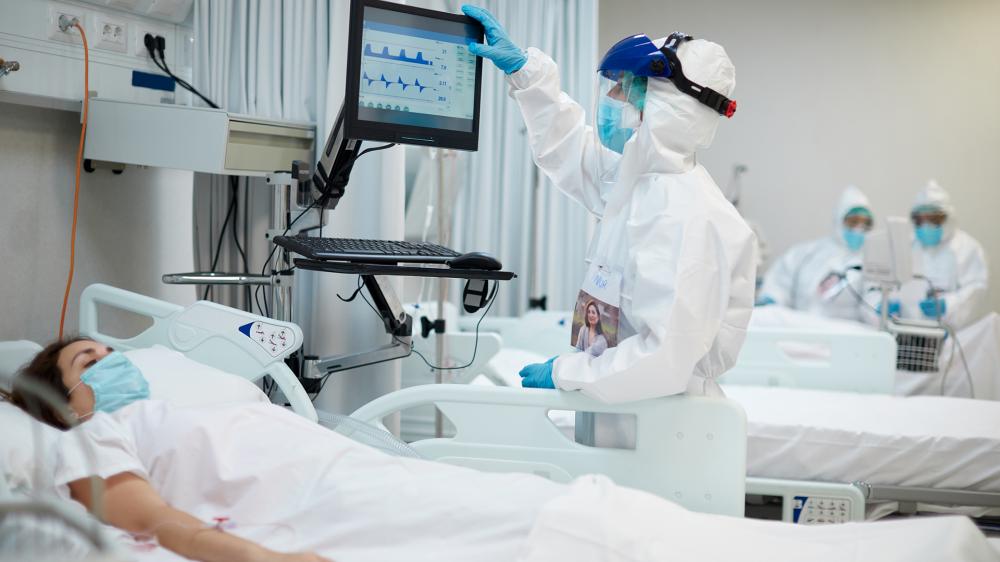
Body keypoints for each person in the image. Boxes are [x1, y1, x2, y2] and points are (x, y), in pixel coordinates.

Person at [7, 338, 1000, 562]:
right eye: (91, 357)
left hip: (370, 477)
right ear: (62, 394)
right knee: (584, 531)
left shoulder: (183, 390)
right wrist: (266, 559)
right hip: (349, 511)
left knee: (594, 520)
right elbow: (157, 522)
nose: (118, 359)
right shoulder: (94, 433)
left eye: (114, 346)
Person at [462, 5, 757, 402]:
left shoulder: (687, 216)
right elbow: (569, 148)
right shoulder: (642, 184)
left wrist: (567, 372)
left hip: (663, 421)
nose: (612, 98)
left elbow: (664, 359)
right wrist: (526, 73)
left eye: (624, 89)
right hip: (625, 407)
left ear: (665, 106)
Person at [757, 186, 875, 323]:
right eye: (853, 221)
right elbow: (779, 281)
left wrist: (882, 308)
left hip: (845, 332)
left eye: (865, 223)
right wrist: (771, 298)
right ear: (839, 219)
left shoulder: (872, 263)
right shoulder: (807, 252)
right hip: (802, 328)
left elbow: (872, 301)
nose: (859, 228)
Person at [898, 179, 989, 329]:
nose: (926, 226)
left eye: (933, 219)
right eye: (920, 220)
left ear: (948, 218)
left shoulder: (967, 248)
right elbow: (893, 285)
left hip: (953, 334)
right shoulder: (908, 246)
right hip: (907, 331)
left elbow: (975, 289)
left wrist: (948, 304)